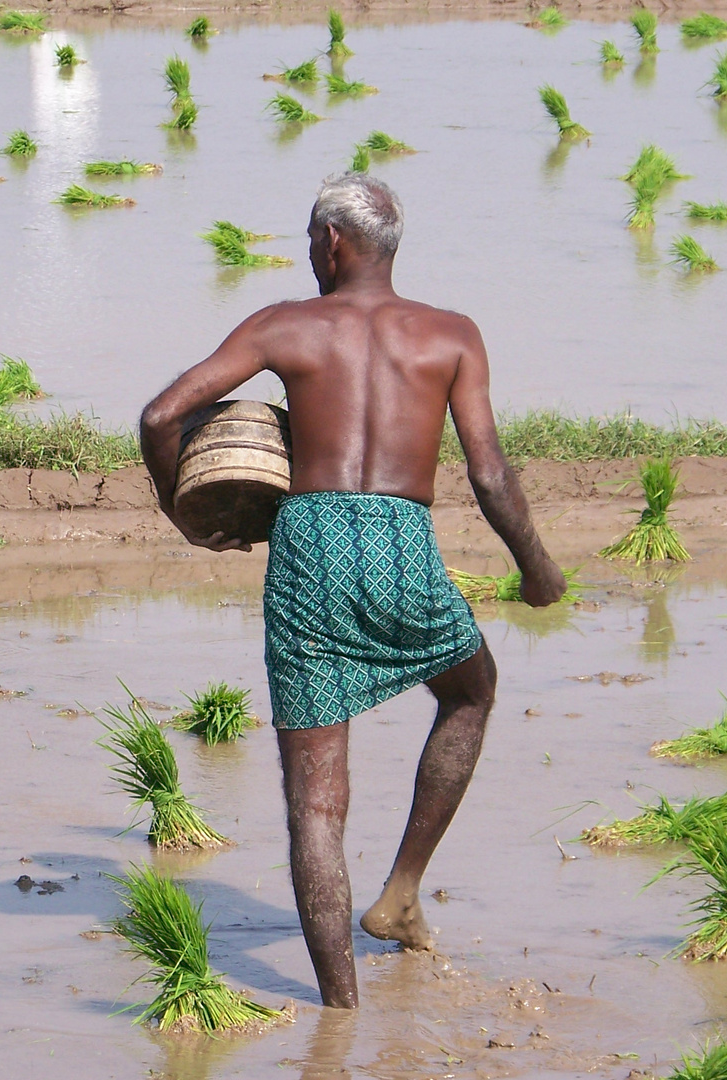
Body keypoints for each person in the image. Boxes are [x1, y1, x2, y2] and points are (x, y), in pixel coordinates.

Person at [139, 173, 566, 1010]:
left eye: (309, 238)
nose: (308, 252)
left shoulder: (284, 326)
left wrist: (185, 514)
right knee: (471, 690)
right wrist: (537, 568)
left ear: (332, 243)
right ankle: (401, 890)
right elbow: (488, 470)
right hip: (401, 538)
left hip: (310, 542)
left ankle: (339, 1015)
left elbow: (161, 416)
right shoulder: (451, 334)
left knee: (316, 802)